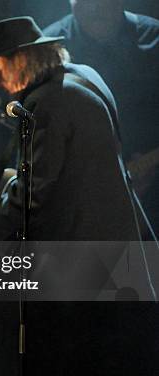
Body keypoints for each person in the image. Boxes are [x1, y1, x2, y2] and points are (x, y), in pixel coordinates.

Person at [0, 17, 156, 376]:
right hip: (123, 254)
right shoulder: (85, 76)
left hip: (81, 269)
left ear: (19, 60)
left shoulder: (44, 103)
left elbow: (34, 192)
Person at [43, 0, 159, 229]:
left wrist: (150, 163)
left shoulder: (155, 37)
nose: (95, 8)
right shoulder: (49, 47)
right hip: (80, 199)